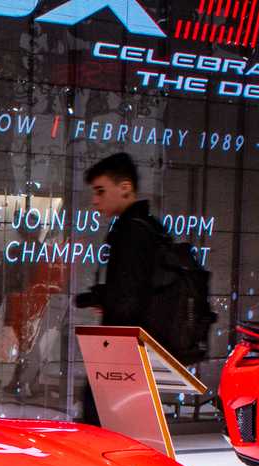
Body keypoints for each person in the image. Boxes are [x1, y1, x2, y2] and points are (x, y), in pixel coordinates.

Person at [73, 152, 163, 425]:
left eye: (100, 191)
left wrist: (101, 298)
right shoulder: (147, 227)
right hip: (133, 348)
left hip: (122, 349)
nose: (95, 200)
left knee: (101, 426)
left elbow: (128, 297)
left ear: (125, 188)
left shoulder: (131, 232)